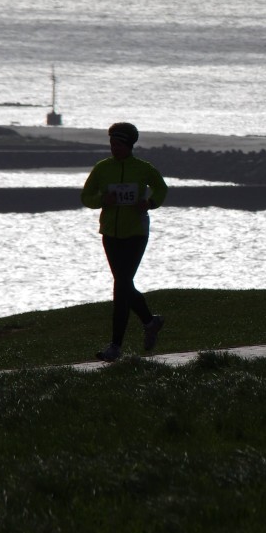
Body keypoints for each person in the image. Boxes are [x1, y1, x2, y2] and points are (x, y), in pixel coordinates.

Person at [80, 122, 168, 362]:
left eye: (118, 144)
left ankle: (115, 347)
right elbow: (86, 196)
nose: (114, 148)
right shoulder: (102, 169)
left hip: (136, 233)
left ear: (129, 145)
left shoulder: (142, 168)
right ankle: (150, 322)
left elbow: (161, 188)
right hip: (110, 233)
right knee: (123, 284)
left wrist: (149, 203)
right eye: (111, 144)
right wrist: (102, 199)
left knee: (121, 286)